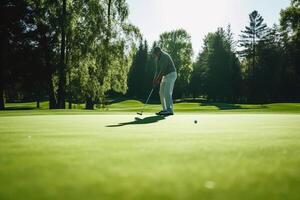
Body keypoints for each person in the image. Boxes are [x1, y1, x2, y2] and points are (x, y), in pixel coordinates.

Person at [152, 47, 177, 116]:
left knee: (167, 92)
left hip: (171, 74)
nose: (155, 54)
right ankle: (165, 109)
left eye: (156, 53)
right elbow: (157, 70)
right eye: (154, 53)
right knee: (161, 92)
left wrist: (158, 79)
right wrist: (154, 79)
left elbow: (163, 69)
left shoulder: (165, 56)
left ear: (159, 51)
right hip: (165, 76)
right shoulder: (157, 59)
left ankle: (170, 110)